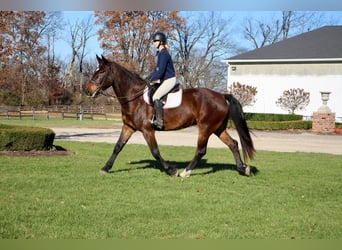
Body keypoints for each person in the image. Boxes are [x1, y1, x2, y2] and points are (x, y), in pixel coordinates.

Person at [149, 31, 177, 129]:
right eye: (154, 41)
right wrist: (149, 77)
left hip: (169, 79)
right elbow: (156, 69)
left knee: (156, 97)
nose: (154, 43)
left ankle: (159, 122)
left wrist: (151, 78)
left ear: (161, 42)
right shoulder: (159, 53)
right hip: (163, 80)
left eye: (155, 41)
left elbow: (160, 71)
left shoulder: (164, 54)